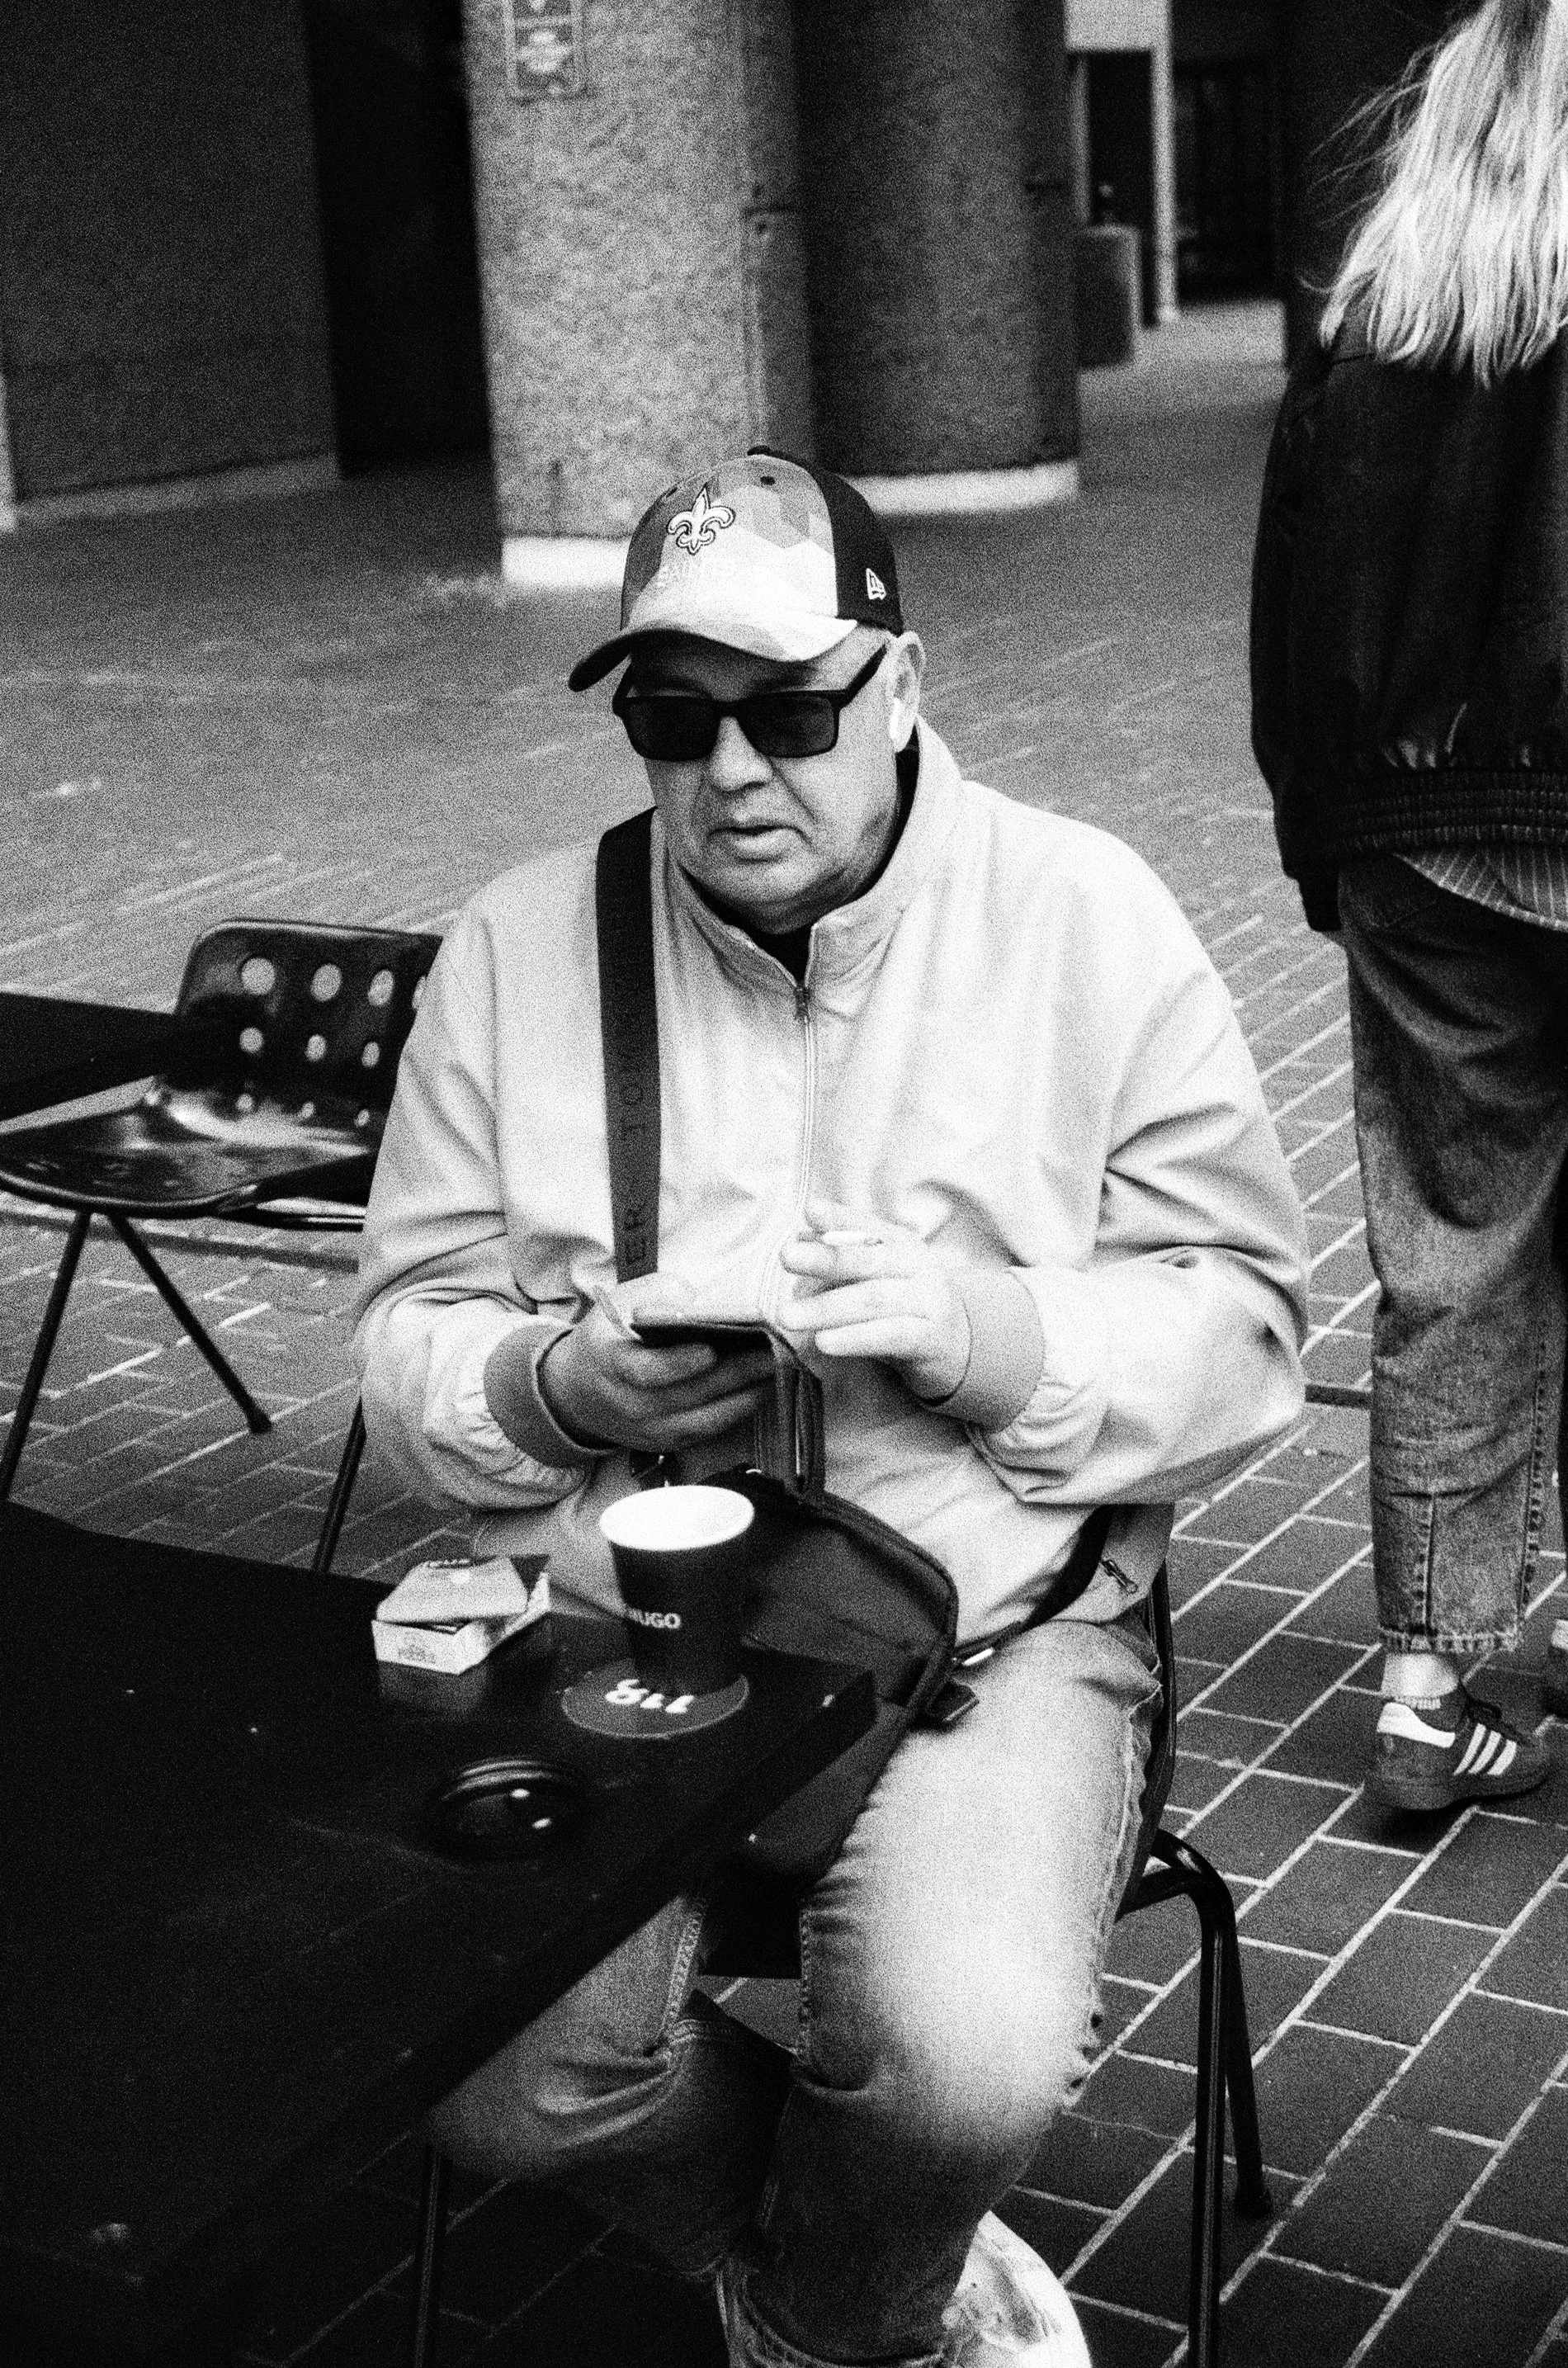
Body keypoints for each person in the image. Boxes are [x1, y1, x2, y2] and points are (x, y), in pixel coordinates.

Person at [357, 448, 1307, 2368]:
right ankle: (877, 2280)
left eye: (789, 712)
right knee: (488, 2080)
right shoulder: (518, 945)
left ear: (899, 685)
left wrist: (991, 1336)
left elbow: (1250, 1333)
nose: (728, 772)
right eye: (670, 717)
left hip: (995, 1623)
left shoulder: (1083, 915)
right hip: (621, 1625)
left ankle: (824, 2312)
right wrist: (555, 1382)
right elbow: (403, 1346)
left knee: (955, 2071)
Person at [1251, 0, 1568, 1814]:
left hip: (1420, 837)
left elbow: (1292, 618)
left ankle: (1427, 1683)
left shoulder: (1378, 318)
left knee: (1452, 1255)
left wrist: (1328, 845)